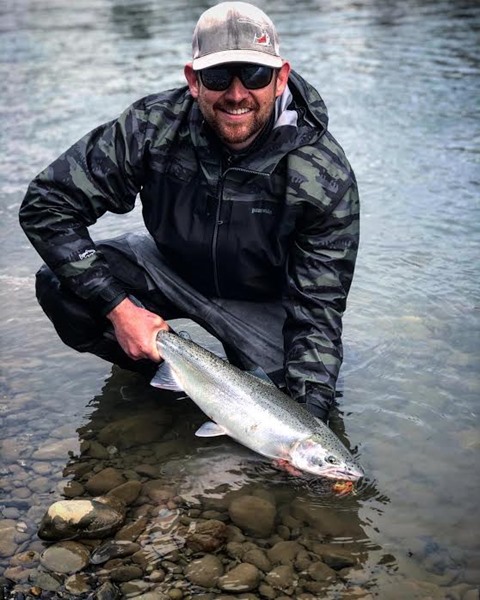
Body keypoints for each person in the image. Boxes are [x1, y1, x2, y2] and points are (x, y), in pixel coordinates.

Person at [19, 1, 359, 423]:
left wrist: (310, 418)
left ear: (280, 78)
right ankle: (175, 388)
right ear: (193, 80)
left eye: (254, 75)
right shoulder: (150, 127)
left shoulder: (324, 173)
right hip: (170, 268)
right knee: (61, 286)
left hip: (263, 301)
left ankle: (226, 403)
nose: (237, 94)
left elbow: (318, 308)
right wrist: (122, 311)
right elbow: (46, 204)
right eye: (218, 76)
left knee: (297, 409)